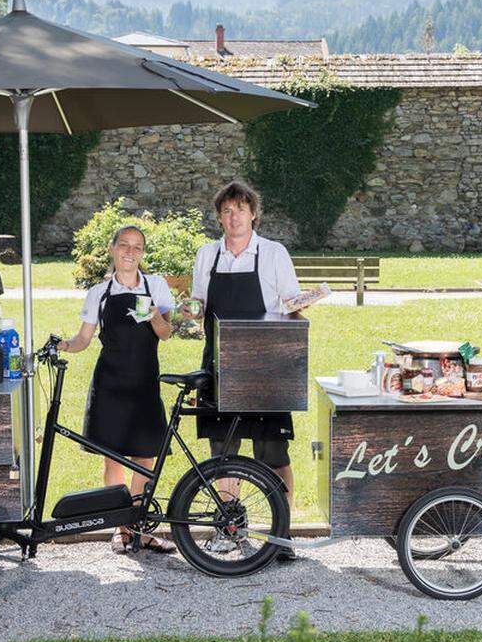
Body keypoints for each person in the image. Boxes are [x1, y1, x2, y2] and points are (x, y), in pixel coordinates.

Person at [182, 181, 304, 562]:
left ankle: (282, 533)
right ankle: (228, 526)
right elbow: (199, 303)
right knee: (223, 450)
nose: (233, 216)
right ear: (220, 216)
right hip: (219, 364)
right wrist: (191, 309)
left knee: (274, 450)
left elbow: (291, 304)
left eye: (240, 208)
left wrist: (304, 307)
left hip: (267, 365)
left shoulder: (273, 253)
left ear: (253, 213)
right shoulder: (207, 255)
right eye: (227, 210)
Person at [58, 225, 177, 554]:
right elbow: (84, 339)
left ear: (142, 253)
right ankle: (119, 528)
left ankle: (140, 526)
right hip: (110, 382)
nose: (130, 251)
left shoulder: (157, 286)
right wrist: (64, 345)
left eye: (137, 247)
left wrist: (154, 314)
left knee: (145, 458)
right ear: (112, 249)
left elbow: (166, 334)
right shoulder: (99, 292)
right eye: (124, 245)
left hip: (144, 383)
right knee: (113, 459)